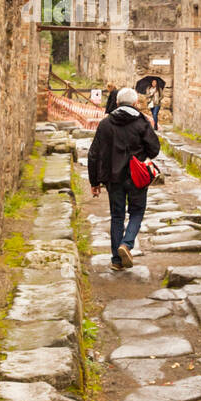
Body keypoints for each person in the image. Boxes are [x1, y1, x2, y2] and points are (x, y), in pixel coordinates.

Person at [88, 86, 160, 269]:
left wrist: (94, 182)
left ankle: (116, 261)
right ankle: (126, 244)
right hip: (137, 177)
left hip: (113, 178)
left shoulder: (105, 124)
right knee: (137, 212)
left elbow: (93, 154)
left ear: (118, 103)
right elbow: (154, 149)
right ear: (136, 103)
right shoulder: (141, 122)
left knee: (117, 216)